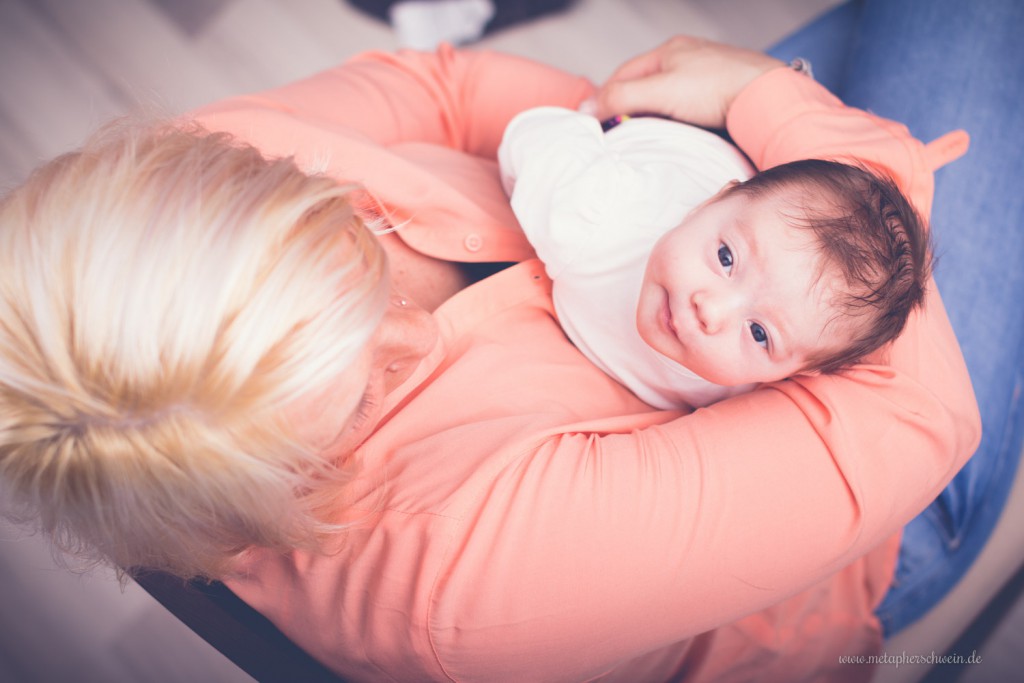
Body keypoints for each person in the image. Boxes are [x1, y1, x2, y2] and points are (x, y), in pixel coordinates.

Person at [0, 1, 1013, 681]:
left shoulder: (205, 177)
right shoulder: (465, 572)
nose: (413, 327)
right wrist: (766, 101)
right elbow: (917, 412)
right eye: (356, 400)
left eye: (352, 248)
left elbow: (443, 88)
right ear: (254, 500)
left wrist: (641, 141)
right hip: (868, 502)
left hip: (750, 253)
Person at [498, 106, 931, 409]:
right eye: (725, 258)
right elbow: (532, 134)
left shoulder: (745, 397)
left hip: (750, 205)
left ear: (795, 375)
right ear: (705, 205)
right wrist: (528, 191)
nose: (710, 309)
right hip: (655, 137)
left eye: (760, 333)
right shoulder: (591, 218)